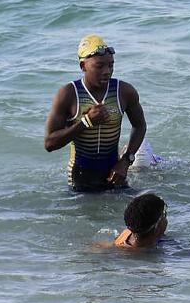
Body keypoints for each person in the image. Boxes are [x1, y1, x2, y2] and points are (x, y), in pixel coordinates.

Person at [44, 35, 147, 192]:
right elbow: (50, 143)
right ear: (83, 66)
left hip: (115, 173)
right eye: (99, 66)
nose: (107, 71)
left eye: (111, 65)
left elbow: (139, 125)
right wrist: (86, 122)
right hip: (80, 178)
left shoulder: (124, 91)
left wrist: (126, 161)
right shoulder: (68, 94)